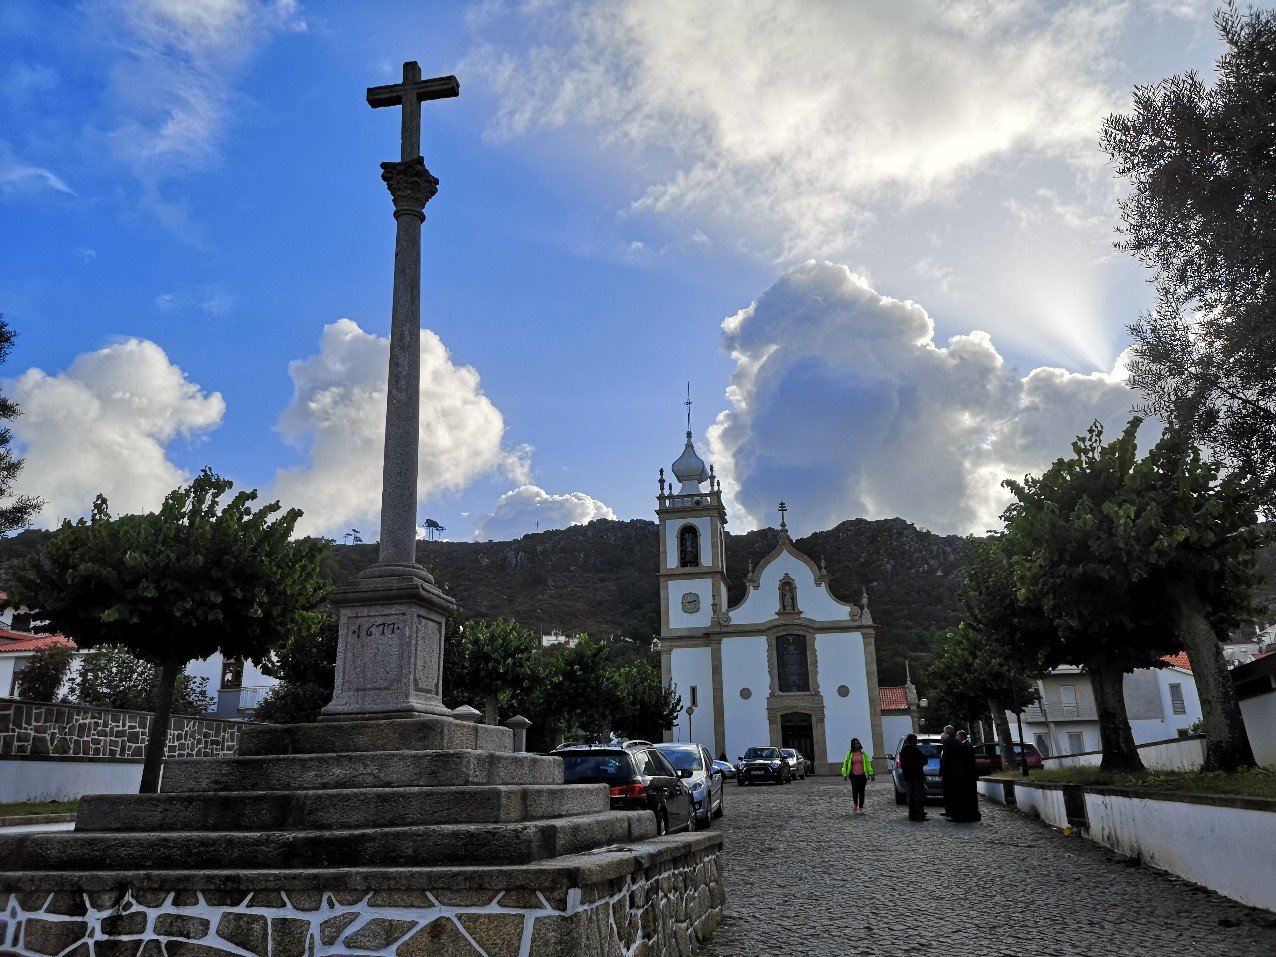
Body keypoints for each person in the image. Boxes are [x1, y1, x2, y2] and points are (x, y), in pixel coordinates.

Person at [949, 730, 982, 822]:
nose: (957, 737)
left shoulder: (965, 746)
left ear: (962, 736)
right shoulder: (967, 745)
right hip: (968, 774)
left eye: (958, 735)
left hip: (967, 775)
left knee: (968, 795)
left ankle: (969, 815)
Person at [898, 733, 927, 821]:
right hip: (917, 776)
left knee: (910, 796)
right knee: (919, 796)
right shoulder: (916, 751)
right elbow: (924, 761)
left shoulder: (903, 751)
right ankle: (919, 815)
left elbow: (902, 764)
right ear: (915, 741)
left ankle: (912, 815)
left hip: (907, 776)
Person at [840, 737, 874, 814]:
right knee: (855, 790)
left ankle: (861, 807)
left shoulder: (863, 754)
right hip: (853, 775)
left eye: (858, 743)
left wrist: (871, 773)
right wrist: (844, 774)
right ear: (853, 745)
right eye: (855, 743)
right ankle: (855, 803)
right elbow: (845, 764)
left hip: (863, 775)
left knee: (861, 791)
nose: (857, 745)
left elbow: (868, 764)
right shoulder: (849, 754)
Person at [938, 725, 957, 818]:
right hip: (951, 772)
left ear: (947, 733)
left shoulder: (949, 743)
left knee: (949, 793)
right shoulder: (952, 742)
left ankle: (951, 812)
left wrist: (942, 770)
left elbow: (946, 759)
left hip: (949, 773)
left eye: (944, 732)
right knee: (948, 793)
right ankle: (949, 811)